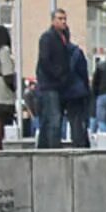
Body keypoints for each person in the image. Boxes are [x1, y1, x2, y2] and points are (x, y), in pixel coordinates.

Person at [35, 9, 73, 149]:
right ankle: (52, 149)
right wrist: (58, 74)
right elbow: (45, 60)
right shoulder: (47, 37)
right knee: (54, 119)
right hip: (49, 84)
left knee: (48, 119)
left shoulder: (63, 38)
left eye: (65, 18)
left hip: (58, 85)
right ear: (53, 20)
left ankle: (44, 147)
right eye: (60, 18)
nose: (63, 21)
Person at [63, 34, 93, 148]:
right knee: (77, 119)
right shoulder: (76, 52)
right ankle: (80, 142)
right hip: (76, 91)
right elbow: (83, 72)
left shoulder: (56, 52)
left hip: (61, 89)